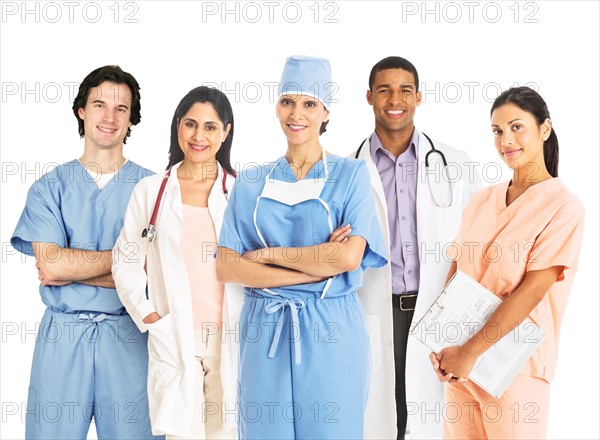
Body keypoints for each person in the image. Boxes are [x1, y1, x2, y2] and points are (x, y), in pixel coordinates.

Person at [216, 55, 388, 439]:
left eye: (309, 103)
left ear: (326, 111)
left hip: (332, 330)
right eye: (288, 101)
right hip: (266, 331)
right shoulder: (251, 181)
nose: (297, 113)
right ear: (277, 107)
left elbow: (347, 257)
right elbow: (227, 266)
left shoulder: (352, 175)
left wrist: (270, 255)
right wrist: (317, 263)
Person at [10, 65, 160, 439]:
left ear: (131, 119)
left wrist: (69, 266)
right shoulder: (50, 188)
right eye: (99, 105)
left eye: (121, 109)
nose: (109, 118)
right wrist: (128, 263)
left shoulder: (155, 189)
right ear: (81, 111)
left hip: (132, 338)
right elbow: (52, 265)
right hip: (63, 339)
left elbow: (161, 274)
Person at [430, 86, 585, 439]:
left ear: (545, 129)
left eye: (517, 127)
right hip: (461, 367)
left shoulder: (563, 208)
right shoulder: (482, 200)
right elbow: (457, 272)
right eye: (497, 131)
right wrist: (443, 343)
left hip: (516, 368)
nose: (505, 140)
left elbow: (530, 292)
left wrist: (470, 352)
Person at [352, 56, 482, 439]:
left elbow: (473, 250)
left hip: (437, 314)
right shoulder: (347, 169)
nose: (395, 99)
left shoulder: (456, 165)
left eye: (405, 90)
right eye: (384, 90)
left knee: (434, 421)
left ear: (419, 97)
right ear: (369, 98)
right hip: (374, 311)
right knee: (379, 419)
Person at [112, 86, 241, 439]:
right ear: (177, 127)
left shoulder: (241, 192)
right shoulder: (151, 191)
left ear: (226, 132)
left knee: (227, 432)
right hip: (175, 332)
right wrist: (151, 317)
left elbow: (264, 256)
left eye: (211, 127)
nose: (199, 136)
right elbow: (125, 262)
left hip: (230, 335)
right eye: (190, 124)